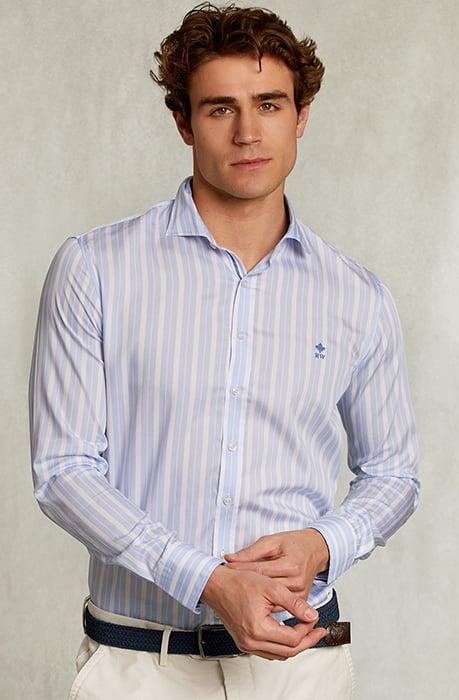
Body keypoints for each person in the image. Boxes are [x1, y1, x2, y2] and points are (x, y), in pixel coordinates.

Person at [28, 2, 420, 698]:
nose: (247, 132)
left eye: (268, 104)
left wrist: (323, 543)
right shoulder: (95, 269)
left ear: (300, 116)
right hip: (138, 667)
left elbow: (393, 473)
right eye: (219, 109)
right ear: (184, 122)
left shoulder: (358, 296)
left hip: (300, 669)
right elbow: (64, 470)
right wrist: (204, 578)